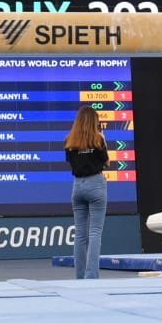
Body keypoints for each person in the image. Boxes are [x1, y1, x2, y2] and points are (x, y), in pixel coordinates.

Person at [64, 105, 111, 280]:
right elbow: (106, 163)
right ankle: (91, 276)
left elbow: (72, 162)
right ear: (94, 122)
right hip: (95, 184)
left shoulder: (69, 141)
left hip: (77, 187)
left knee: (80, 233)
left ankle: (79, 276)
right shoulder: (99, 139)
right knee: (95, 232)